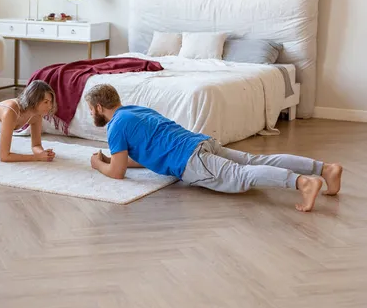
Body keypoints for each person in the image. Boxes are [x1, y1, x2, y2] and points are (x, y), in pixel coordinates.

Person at [84, 84, 343, 212]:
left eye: (90, 109)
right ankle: (325, 169)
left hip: (191, 160)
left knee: (240, 176)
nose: (91, 114)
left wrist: (99, 165)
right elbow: (146, 156)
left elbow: (118, 173)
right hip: (200, 142)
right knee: (254, 160)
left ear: (97, 107)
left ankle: (303, 183)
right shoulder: (135, 110)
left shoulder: (115, 125)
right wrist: (113, 159)